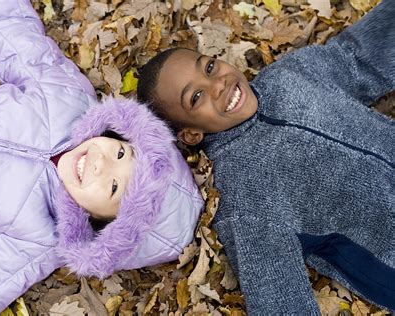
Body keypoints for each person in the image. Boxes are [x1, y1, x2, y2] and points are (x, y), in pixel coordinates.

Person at [0, 1, 203, 315]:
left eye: (113, 188)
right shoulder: (65, 97)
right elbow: (13, 37)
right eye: (122, 152)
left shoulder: (37, 239)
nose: (101, 163)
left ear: (101, 223)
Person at [137, 0, 394, 314]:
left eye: (209, 67)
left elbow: (356, 58)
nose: (218, 84)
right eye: (196, 97)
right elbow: (278, 297)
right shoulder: (241, 196)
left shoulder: (292, 75)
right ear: (191, 134)